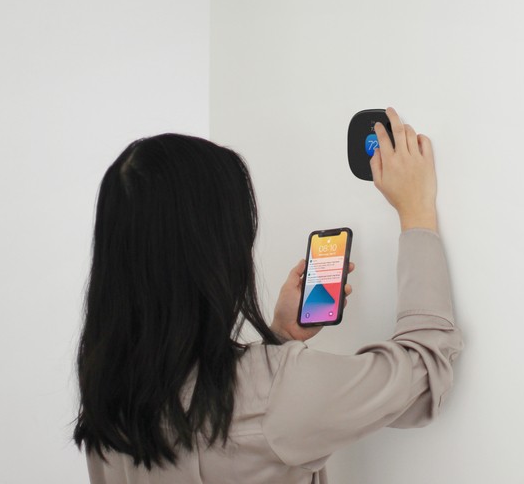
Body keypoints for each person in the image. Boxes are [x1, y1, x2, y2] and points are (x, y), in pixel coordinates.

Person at [73, 107, 464, 483]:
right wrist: (416, 213)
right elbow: (425, 369)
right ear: (213, 255)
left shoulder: (108, 395)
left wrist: (279, 340)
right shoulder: (275, 394)